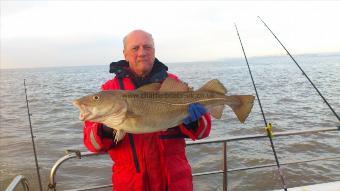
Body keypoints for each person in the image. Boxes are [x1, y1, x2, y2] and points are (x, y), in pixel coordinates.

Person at [83, 30, 212, 191]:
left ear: (154, 51)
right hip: (132, 185)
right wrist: (105, 129)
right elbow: (92, 143)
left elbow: (203, 132)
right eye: (135, 48)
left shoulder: (172, 83)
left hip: (174, 182)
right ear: (125, 54)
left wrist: (195, 121)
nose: (142, 53)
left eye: (147, 47)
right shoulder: (110, 90)